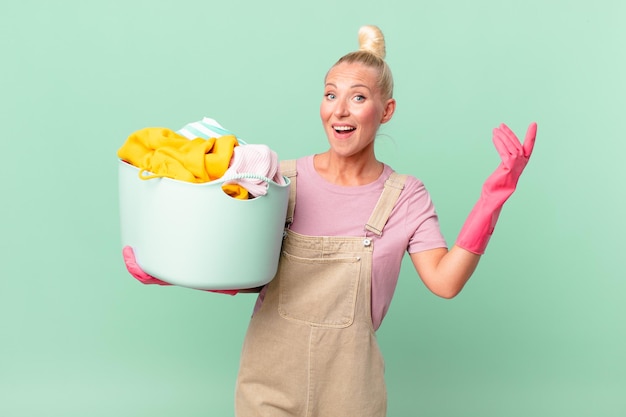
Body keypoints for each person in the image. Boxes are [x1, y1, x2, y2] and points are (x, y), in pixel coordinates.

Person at [123, 25, 537, 417]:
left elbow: (445, 283)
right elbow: (248, 273)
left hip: (352, 393)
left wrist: (493, 196)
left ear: (386, 110)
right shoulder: (278, 181)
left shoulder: (405, 197)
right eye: (329, 94)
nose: (339, 110)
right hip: (267, 385)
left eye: (358, 97)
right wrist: (168, 269)